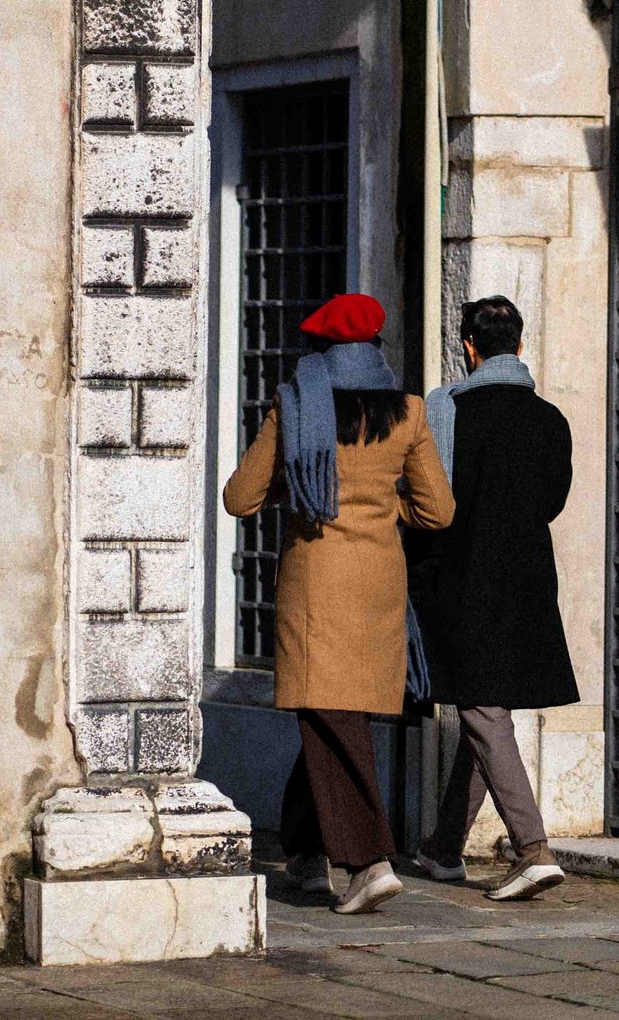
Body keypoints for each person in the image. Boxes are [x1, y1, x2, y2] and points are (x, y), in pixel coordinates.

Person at [222, 292, 455, 916]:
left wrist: (300, 489)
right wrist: (381, 508)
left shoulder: (296, 403)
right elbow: (438, 509)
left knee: (331, 719)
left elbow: (239, 497)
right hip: (380, 582)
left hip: (316, 582)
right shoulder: (407, 412)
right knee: (332, 716)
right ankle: (303, 854)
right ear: (376, 344)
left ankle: (367, 861)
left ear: (321, 346)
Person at [409, 295, 578, 902]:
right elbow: (552, 501)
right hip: (528, 580)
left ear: (469, 348)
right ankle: (443, 848)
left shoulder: (446, 412)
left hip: (462, 579)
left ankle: (533, 849)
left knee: (481, 710)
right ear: (521, 346)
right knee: (489, 709)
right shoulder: (550, 419)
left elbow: (429, 503)